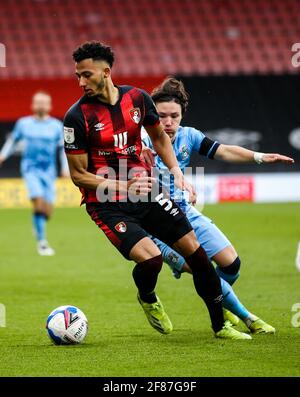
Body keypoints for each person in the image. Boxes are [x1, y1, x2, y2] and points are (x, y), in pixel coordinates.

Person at [63, 40, 254, 340]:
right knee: (151, 259)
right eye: (78, 75)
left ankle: (221, 326)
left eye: (86, 74)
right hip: (106, 203)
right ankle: (148, 296)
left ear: (106, 72)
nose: (81, 81)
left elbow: (161, 139)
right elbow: (78, 176)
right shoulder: (76, 118)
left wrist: (177, 173)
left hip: (147, 192)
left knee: (198, 254)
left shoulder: (137, 99)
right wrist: (123, 184)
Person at [141, 77, 295, 333]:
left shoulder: (189, 136)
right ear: (152, 115)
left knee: (231, 264)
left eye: (174, 116)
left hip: (186, 212)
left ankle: (220, 302)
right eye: (162, 115)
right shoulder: (141, 140)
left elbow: (223, 151)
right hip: (155, 222)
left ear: (182, 115)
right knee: (204, 270)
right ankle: (248, 318)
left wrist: (259, 157)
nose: (168, 122)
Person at [0, 91, 69, 256]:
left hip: (49, 171)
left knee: (47, 210)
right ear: (32, 105)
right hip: (30, 169)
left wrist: (65, 167)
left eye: (44, 102)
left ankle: (37, 223)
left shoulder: (56, 126)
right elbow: (12, 141)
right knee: (38, 201)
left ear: (49, 106)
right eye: (38, 102)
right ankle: (42, 242)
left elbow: (63, 150)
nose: (41, 105)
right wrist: (2, 155)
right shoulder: (24, 124)